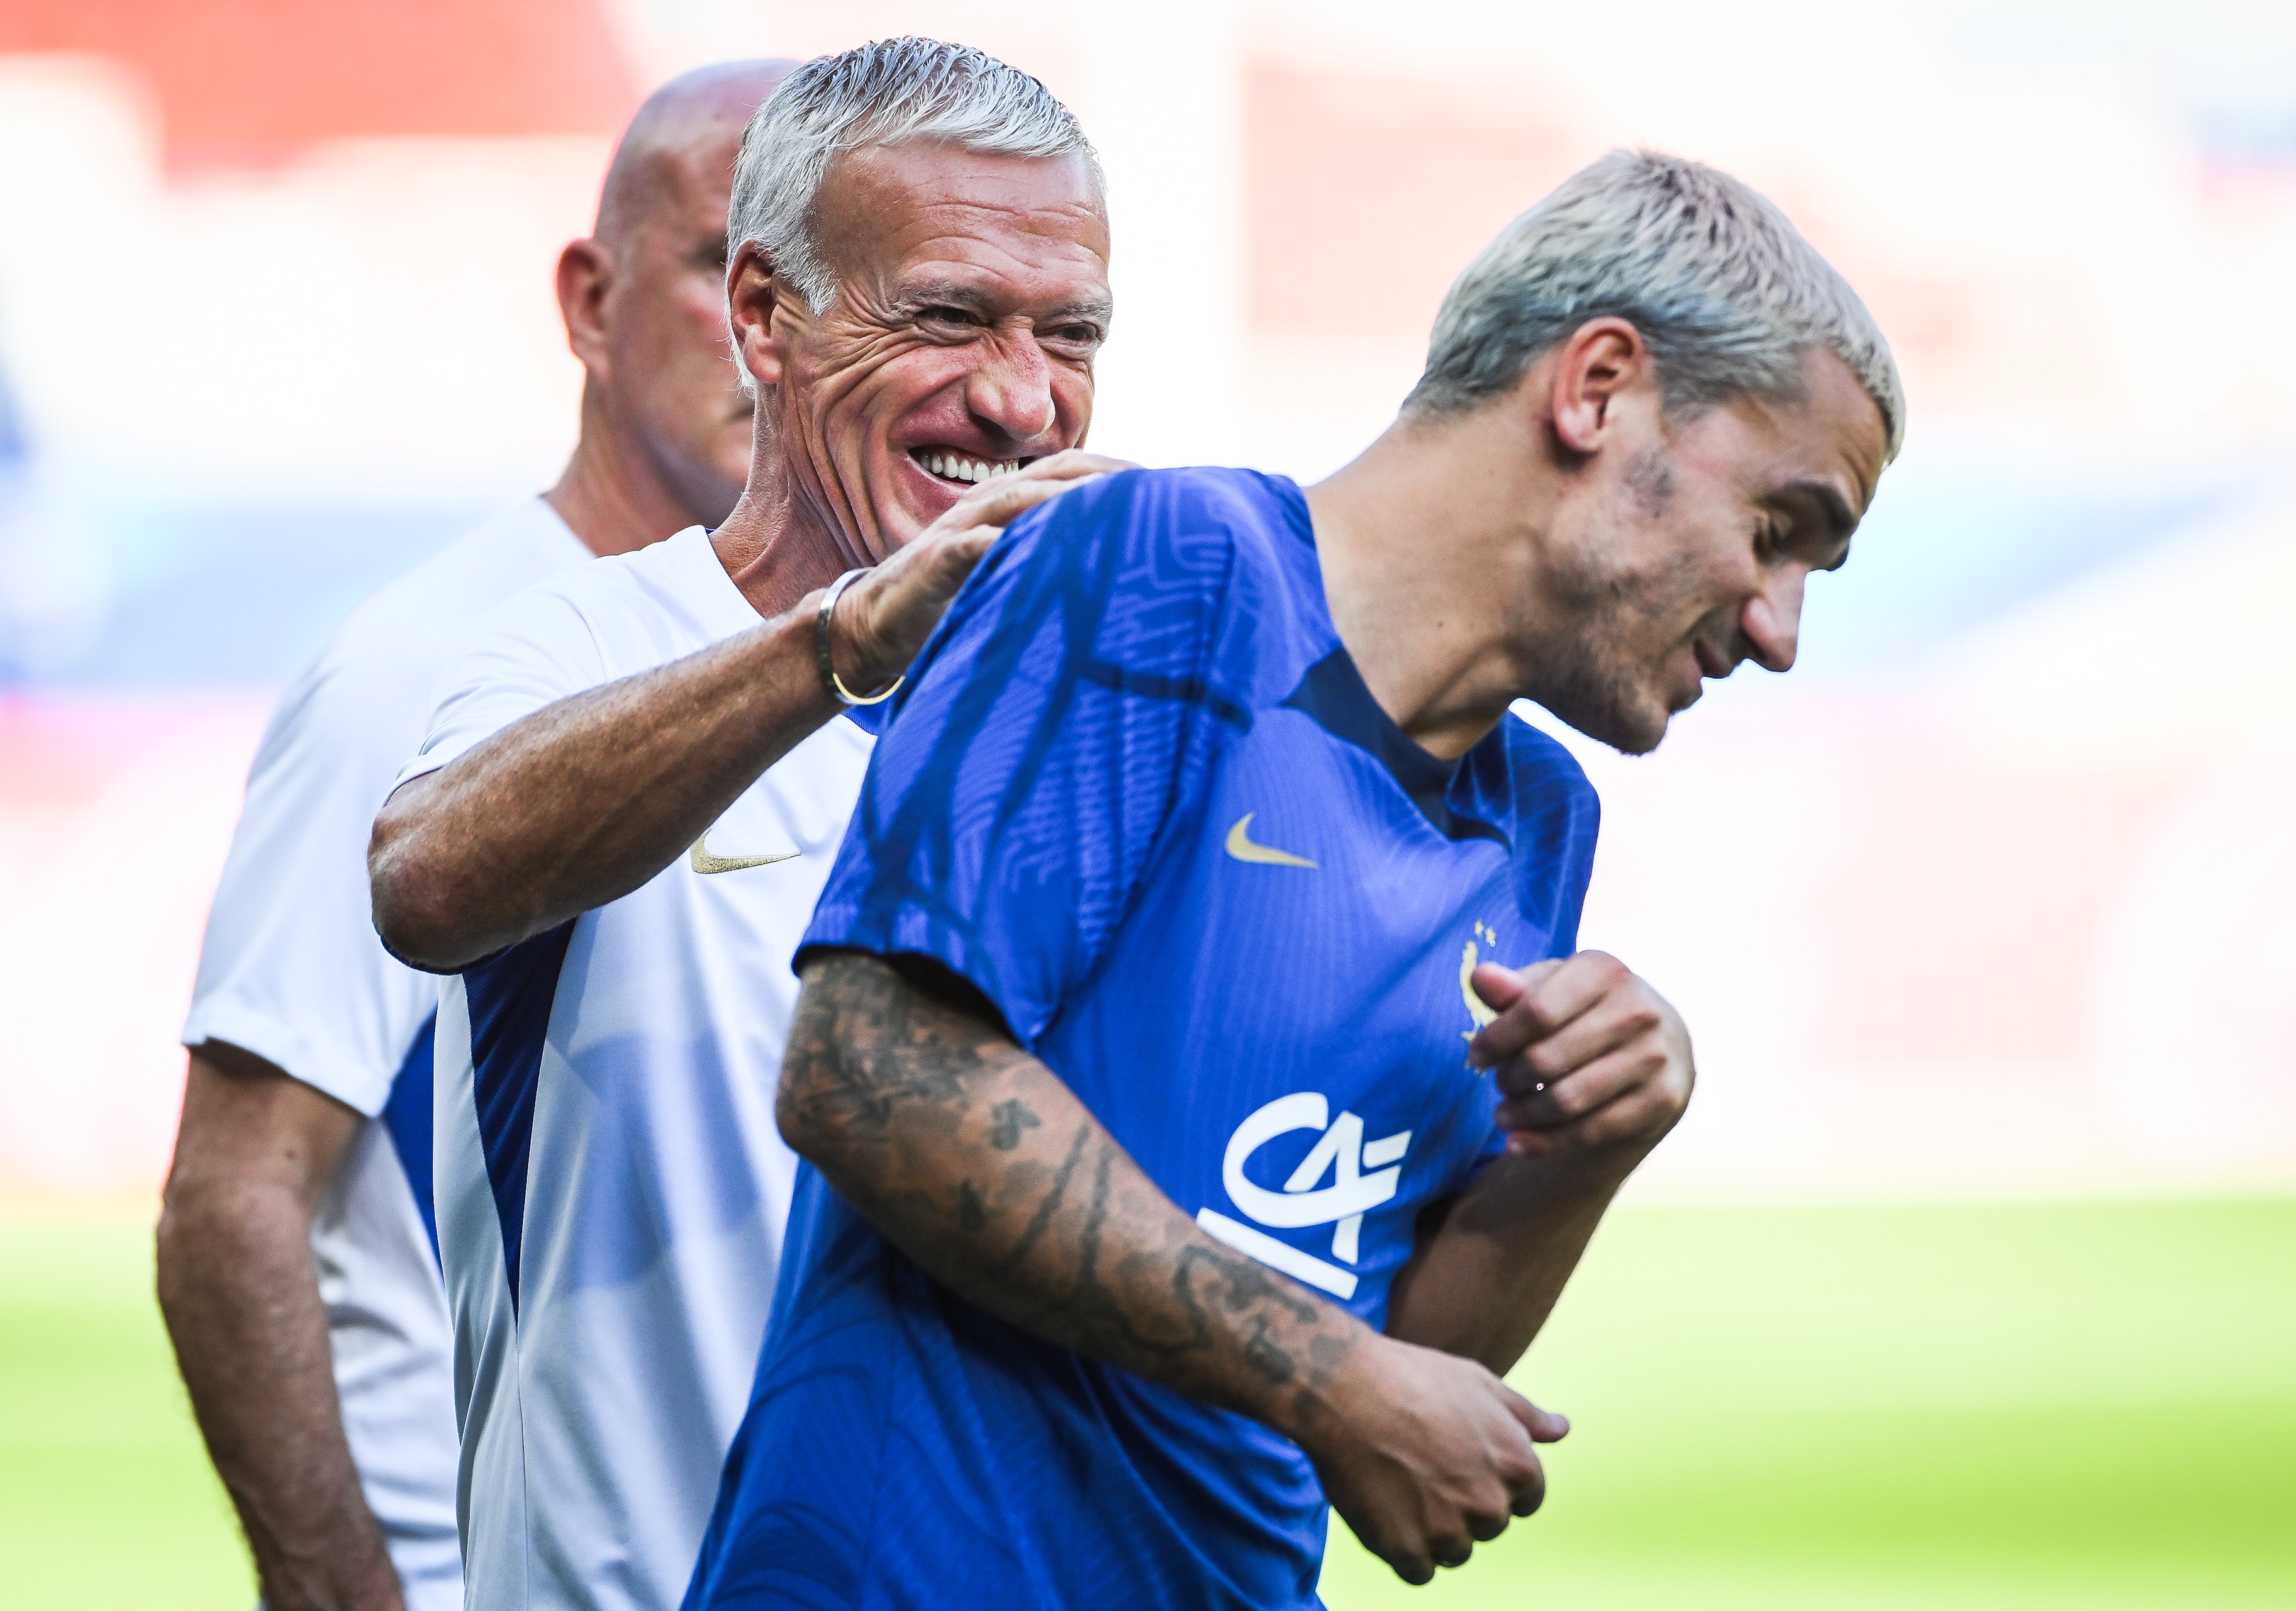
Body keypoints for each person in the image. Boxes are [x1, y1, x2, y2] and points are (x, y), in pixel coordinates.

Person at [687, 150, 1904, 1610]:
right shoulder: (1163, 562)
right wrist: (1335, 1379)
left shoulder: (1539, 817)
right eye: (1780, 530)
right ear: (1595, 388)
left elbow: (1394, 1376)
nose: (1779, 629)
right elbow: (868, 1070)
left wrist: (1578, 1151)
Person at [364, 40, 1125, 1610]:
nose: (1021, 397)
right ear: (766, 316)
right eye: (949, 315)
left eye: (1071, 334)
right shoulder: (577, 642)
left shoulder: (1116, 724)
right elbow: (425, 883)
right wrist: (838, 643)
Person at [157, 60, 794, 1611]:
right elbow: (235, 1196)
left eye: (832, 285)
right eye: (729, 267)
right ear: (589, 300)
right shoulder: (425, 662)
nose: (777, 336)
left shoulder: (821, 668)